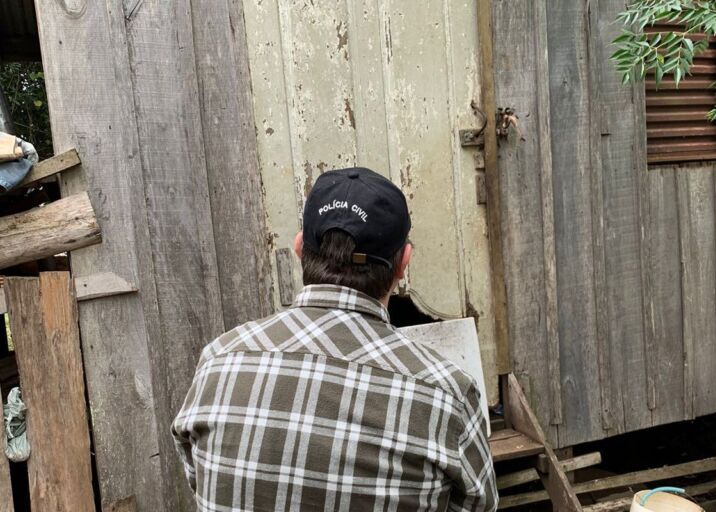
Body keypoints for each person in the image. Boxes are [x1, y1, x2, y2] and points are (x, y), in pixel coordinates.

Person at [172, 167, 498, 511]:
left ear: (299, 247)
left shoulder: (218, 362)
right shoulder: (447, 395)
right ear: (404, 263)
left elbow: (197, 477)